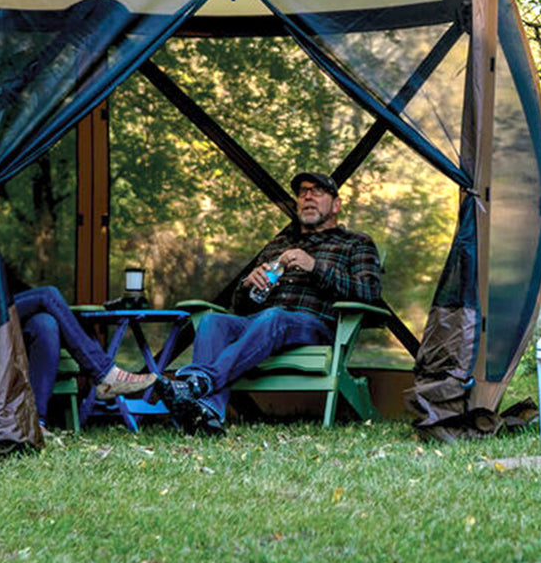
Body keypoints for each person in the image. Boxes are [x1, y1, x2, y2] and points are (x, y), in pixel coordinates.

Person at [0, 179, 154, 427]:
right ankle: (104, 373)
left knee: (45, 323)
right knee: (47, 295)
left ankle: (36, 421)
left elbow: (5, 286)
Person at [157, 171, 382, 434]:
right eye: (302, 192)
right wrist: (248, 285)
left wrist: (315, 267)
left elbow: (370, 292)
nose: (307, 196)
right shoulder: (278, 245)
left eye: (317, 191)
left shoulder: (355, 243)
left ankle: (199, 382)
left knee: (274, 316)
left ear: (336, 205)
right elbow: (240, 307)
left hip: (314, 327)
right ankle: (208, 414)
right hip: (262, 327)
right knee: (212, 321)